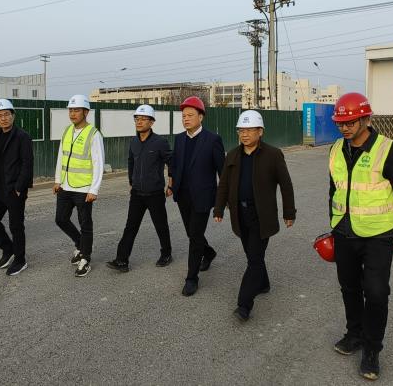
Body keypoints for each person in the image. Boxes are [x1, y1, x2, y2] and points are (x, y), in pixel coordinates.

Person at [328, 92, 393, 381]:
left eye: (350, 122)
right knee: (349, 287)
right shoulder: (336, 149)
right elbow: (335, 189)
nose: (344, 128)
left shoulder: (390, 150)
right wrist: (334, 224)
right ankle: (354, 334)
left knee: (377, 292)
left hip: (379, 235)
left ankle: (372, 349)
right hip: (344, 232)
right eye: (340, 122)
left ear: (366, 119)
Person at [213, 110, 296, 321]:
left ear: (260, 131)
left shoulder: (273, 154)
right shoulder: (233, 155)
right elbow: (224, 184)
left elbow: (286, 185)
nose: (245, 134)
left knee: (255, 260)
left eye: (250, 130)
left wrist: (289, 212)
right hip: (240, 214)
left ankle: (244, 304)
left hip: (262, 216)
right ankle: (263, 283)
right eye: (241, 130)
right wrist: (219, 208)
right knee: (253, 255)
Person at [168, 96, 224, 296]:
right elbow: (175, 164)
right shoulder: (180, 139)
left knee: (194, 236)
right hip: (183, 196)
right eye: (184, 116)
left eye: (190, 115)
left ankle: (192, 278)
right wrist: (171, 183)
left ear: (201, 117)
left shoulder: (213, 140)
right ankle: (208, 252)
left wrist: (223, 199)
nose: (186, 119)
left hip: (203, 197)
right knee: (193, 234)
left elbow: (222, 171)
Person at [106, 105, 173, 272]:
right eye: (137, 119)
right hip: (137, 193)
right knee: (130, 227)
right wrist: (131, 181)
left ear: (151, 122)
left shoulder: (160, 142)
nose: (139, 122)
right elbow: (131, 162)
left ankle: (166, 254)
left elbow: (171, 163)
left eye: (143, 119)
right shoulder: (134, 142)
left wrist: (171, 184)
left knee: (161, 225)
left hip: (155, 193)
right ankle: (122, 260)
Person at [54, 94, 105, 277]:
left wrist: (94, 189)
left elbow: (98, 163)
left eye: (76, 110)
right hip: (66, 185)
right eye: (71, 110)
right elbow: (61, 156)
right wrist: (57, 180)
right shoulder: (67, 131)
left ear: (86, 112)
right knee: (60, 219)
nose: (72, 114)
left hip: (84, 188)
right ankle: (80, 244)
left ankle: (85, 258)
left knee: (85, 224)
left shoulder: (93, 134)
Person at [0, 99, 34, 276]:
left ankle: (20, 260)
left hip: (14, 189)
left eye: (6, 114)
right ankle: (8, 248)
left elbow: (27, 163)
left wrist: (19, 187)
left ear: (13, 116)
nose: (3, 118)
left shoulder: (22, 136)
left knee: (16, 226)